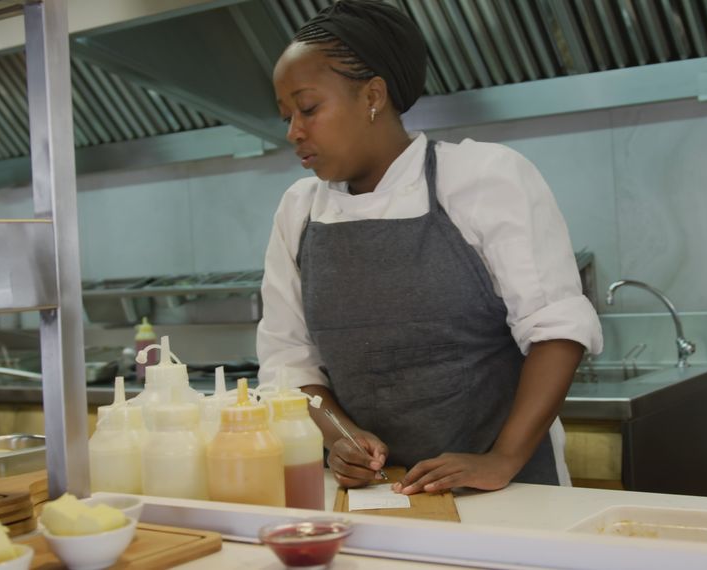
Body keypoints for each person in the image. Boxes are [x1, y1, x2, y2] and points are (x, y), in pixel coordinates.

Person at [257, 0, 602, 495]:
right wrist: (340, 437)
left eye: (308, 108)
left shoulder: (482, 178)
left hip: (509, 493)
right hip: (378, 497)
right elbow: (289, 360)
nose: (293, 132)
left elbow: (558, 331)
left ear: (373, 96)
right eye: (286, 115)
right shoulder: (298, 211)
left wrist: (501, 459)